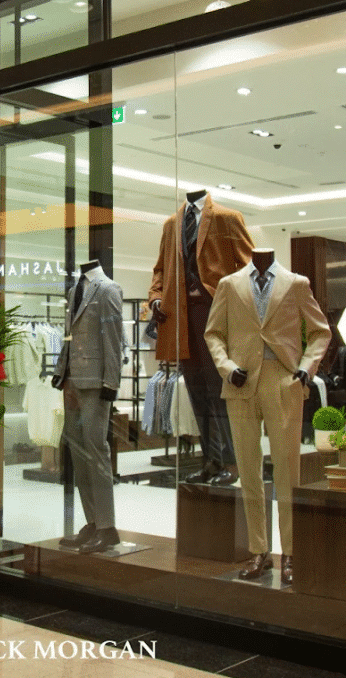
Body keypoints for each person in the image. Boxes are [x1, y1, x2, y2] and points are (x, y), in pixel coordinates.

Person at [204, 248, 331, 586]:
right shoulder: (229, 285)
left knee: (288, 470)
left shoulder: (296, 283)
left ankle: (290, 552)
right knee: (248, 469)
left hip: (282, 380)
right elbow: (213, 333)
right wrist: (227, 367)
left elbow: (320, 331)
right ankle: (258, 551)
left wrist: (306, 369)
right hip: (241, 381)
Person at [148, 190, 253, 485]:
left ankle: (232, 462)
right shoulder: (172, 224)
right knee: (196, 392)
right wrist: (155, 297)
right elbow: (160, 270)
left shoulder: (227, 218)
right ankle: (211, 461)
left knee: (220, 390)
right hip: (180, 317)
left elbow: (249, 267)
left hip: (215, 311)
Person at [51, 260, 124, 554]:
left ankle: (107, 528)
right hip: (72, 381)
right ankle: (93, 522)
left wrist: (111, 381)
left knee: (96, 452)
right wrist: (61, 371)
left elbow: (114, 339)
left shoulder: (108, 289)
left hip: (95, 382)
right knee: (78, 454)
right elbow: (69, 336)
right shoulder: (74, 291)